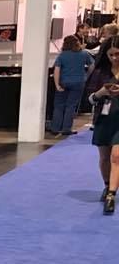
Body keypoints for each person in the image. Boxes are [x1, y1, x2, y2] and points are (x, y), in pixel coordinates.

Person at [89, 36, 119, 214]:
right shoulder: (100, 72)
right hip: (103, 119)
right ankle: (107, 185)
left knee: (116, 157)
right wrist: (101, 93)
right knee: (104, 158)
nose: (114, 58)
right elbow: (90, 99)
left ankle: (111, 195)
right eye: (111, 55)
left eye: (118, 54)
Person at [50, 35, 95, 136]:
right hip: (78, 82)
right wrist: (86, 76)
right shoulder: (84, 54)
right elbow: (92, 65)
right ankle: (66, 129)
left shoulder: (62, 55)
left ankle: (55, 128)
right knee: (71, 106)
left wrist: (57, 84)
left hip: (64, 82)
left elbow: (56, 70)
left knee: (59, 105)